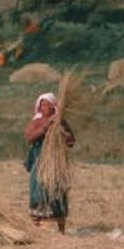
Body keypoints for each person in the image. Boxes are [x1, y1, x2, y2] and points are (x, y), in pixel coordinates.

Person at [24, 92, 76, 233]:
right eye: (42, 105)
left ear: (54, 107)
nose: (44, 107)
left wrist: (63, 133)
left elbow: (71, 142)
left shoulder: (61, 122)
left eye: (47, 105)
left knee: (57, 189)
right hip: (40, 161)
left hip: (56, 163)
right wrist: (44, 128)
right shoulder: (37, 121)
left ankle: (60, 227)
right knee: (39, 189)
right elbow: (29, 138)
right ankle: (37, 225)